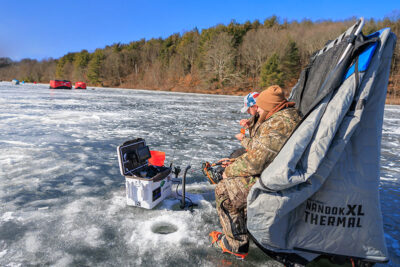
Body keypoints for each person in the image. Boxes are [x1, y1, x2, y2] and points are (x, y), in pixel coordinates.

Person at [209, 85, 302, 259]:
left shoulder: (279, 123)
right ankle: (245, 227)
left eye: (259, 106)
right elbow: (262, 151)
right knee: (235, 170)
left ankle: (235, 245)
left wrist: (228, 171)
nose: (257, 109)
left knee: (224, 191)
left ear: (270, 105)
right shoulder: (280, 117)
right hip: (277, 171)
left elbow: (255, 161)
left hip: (278, 179)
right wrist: (235, 162)